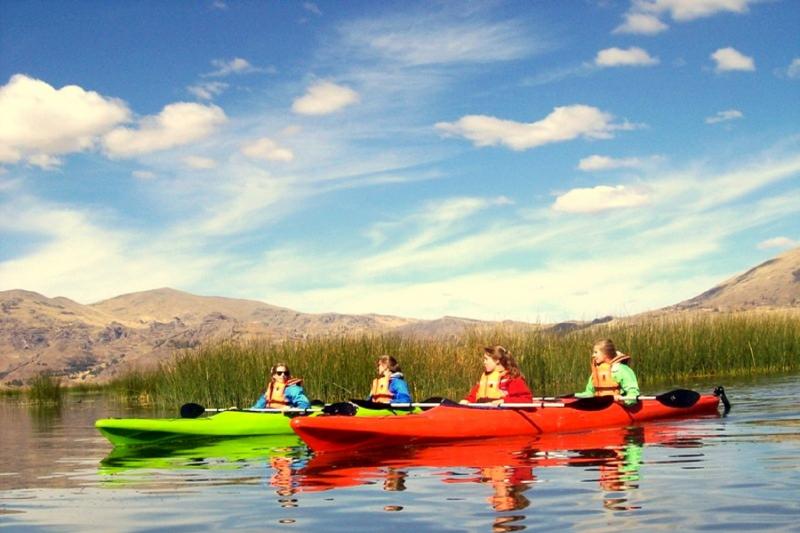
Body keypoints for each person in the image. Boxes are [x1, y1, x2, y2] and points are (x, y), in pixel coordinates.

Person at [575, 339, 640, 405]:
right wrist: (574, 396)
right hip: (599, 405)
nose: (593, 355)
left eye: (596, 352)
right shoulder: (596, 372)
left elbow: (633, 392)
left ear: (605, 353)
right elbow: (589, 393)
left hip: (620, 405)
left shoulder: (622, 370)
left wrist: (624, 401)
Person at [462, 345, 533, 405]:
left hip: (501, 412)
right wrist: (467, 401)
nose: (484, 362)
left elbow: (527, 399)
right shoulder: (485, 378)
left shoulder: (511, 378)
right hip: (484, 411)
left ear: (497, 361)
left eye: (486, 359)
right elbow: (474, 396)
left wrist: (504, 401)